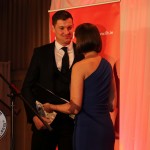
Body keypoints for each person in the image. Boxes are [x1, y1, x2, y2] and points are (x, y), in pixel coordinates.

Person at [43, 23, 115, 150]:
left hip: (87, 130)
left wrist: (51, 106)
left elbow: (74, 108)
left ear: (81, 41)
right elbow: (112, 104)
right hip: (105, 129)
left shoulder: (79, 67)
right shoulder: (107, 65)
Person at [21, 10, 83, 150]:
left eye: (69, 27)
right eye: (62, 28)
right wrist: (35, 116)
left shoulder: (81, 53)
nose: (67, 32)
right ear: (53, 28)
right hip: (45, 121)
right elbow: (27, 87)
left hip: (73, 124)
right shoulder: (40, 53)